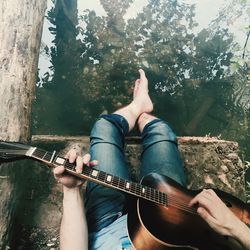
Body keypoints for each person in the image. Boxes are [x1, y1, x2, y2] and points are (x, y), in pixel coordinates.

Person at [53, 69, 250, 250]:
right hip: (172, 222)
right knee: (160, 130)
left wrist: (71, 190)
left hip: (107, 224)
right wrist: (236, 228)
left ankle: (137, 106)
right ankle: (143, 114)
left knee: (105, 126)